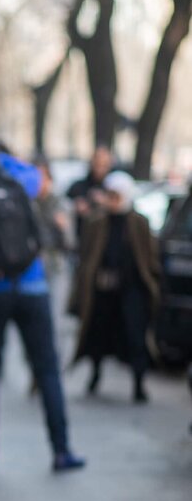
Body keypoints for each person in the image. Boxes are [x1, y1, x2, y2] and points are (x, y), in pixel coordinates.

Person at [0, 142, 85, 472]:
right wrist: (5, 159)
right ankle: (61, 449)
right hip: (31, 284)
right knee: (48, 369)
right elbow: (38, 180)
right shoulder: (15, 177)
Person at [70, 171, 161, 402]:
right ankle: (95, 374)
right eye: (109, 195)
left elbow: (148, 258)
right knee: (98, 334)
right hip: (102, 290)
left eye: (116, 195)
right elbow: (87, 256)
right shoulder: (97, 221)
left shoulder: (139, 222)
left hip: (130, 290)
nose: (112, 200)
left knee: (135, 336)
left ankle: (139, 383)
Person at [66, 145, 113, 243]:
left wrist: (106, 203)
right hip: (82, 240)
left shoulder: (113, 188)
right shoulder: (77, 187)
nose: (100, 169)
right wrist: (75, 207)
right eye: (97, 164)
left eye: (104, 165)